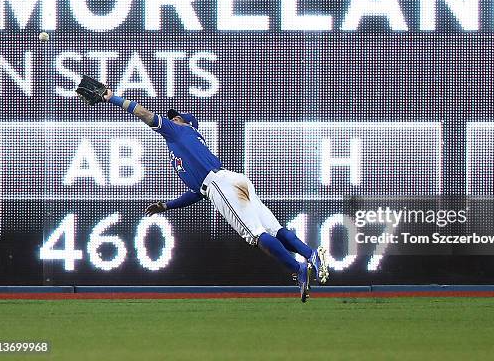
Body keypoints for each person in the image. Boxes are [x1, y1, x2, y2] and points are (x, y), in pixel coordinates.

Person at [101, 88, 328, 302]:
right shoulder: (183, 144)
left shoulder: (179, 131)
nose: (172, 119)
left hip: (219, 184)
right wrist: (167, 206)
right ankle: (311, 255)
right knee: (274, 230)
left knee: (255, 235)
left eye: (177, 117)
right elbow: (196, 193)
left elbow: (144, 113)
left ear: (187, 124)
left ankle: (298, 269)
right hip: (231, 181)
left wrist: (111, 97)